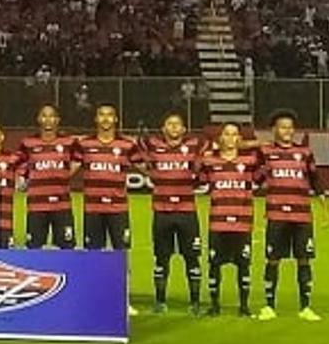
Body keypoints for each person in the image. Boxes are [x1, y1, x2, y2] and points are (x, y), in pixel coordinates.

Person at [258, 110, 326, 321]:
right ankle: (269, 306)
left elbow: (315, 179)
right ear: (274, 130)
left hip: (301, 216)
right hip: (276, 215)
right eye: (282, 126)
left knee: (304, 260)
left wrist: (324, 206)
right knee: (273, 260)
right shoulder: (266, 152)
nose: (287, 130)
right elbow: (255, 176)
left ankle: (305, 307)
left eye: (289, 127)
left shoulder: (305, 152)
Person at [139, 110, 209, 315]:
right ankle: (160, 302)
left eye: (177, 124)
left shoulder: (194, 146)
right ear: (163, 128)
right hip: (162, 211)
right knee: (161, 258)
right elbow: (136, 156)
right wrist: (154, 174)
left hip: (187, 212)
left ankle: (195, 303)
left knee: (192, 257)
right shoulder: (153, 145)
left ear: (184, 129)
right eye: (170, 124)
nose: (174, 127)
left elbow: (211, 153)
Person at [200, 122, 259, 316]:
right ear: (221, 139)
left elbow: (266, 160)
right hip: (218, 222)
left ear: (239, 139)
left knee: (243, 265)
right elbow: (198, 176)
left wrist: (251, 145)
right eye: (227, 134)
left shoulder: (250, 161)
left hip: (242, 223)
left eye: (235, 134)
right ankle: (214, 305)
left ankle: (244, 306)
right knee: (215, 264)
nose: (231, 138)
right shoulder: (210, 163)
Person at [76, 103, 140, 253]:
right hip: (92, 208)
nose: (106, 118)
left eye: (109, 115)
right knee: (93, 255)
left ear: (115, 119)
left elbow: (149, 169)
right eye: (102, 115)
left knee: (122, 253)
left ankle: (124, 277)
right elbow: (68, 171)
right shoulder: (84, 144)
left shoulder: (127, 145)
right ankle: (94, 277)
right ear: (96, 119)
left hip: (118, 209)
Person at [19, 104, 78, 249]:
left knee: (66, 248)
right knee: (34, 249)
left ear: (57, 120)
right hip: (37, 205)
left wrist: (63, 175)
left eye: (51, 116)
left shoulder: (69, 142)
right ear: (39, 119)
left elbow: (78, 161)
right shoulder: (28, 143)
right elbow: (20, 164)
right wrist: (22, 178)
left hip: (62, 205)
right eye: (44, 115)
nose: (48, 119)